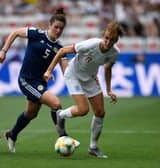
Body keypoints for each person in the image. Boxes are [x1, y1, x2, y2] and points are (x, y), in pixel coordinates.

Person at [0, 8, 79, 153]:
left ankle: (12, 134)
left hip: (40, 83)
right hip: (26, 80)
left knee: (31, 113)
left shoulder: (59, 48)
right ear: (50, 25)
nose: (58, 30)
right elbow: (15, 33)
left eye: (61, 28)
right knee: (56, 103)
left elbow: (66, 70)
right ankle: (64, 137)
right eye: (56, 27)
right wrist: (3, 51)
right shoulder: (36, 34)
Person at [44, 21, 123, 158]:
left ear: (116, 40)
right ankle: (60, 115)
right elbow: (62, 51)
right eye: (107, 38)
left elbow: (107, 68)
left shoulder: (115, 53)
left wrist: (109, 90)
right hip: (73, 74)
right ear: (103, 35)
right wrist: (49, 71)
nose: (108, 42)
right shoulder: (91, 44)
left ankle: (93, 147)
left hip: (90, 78)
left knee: (100, 112)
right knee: (83, 110)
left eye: (112, 40)